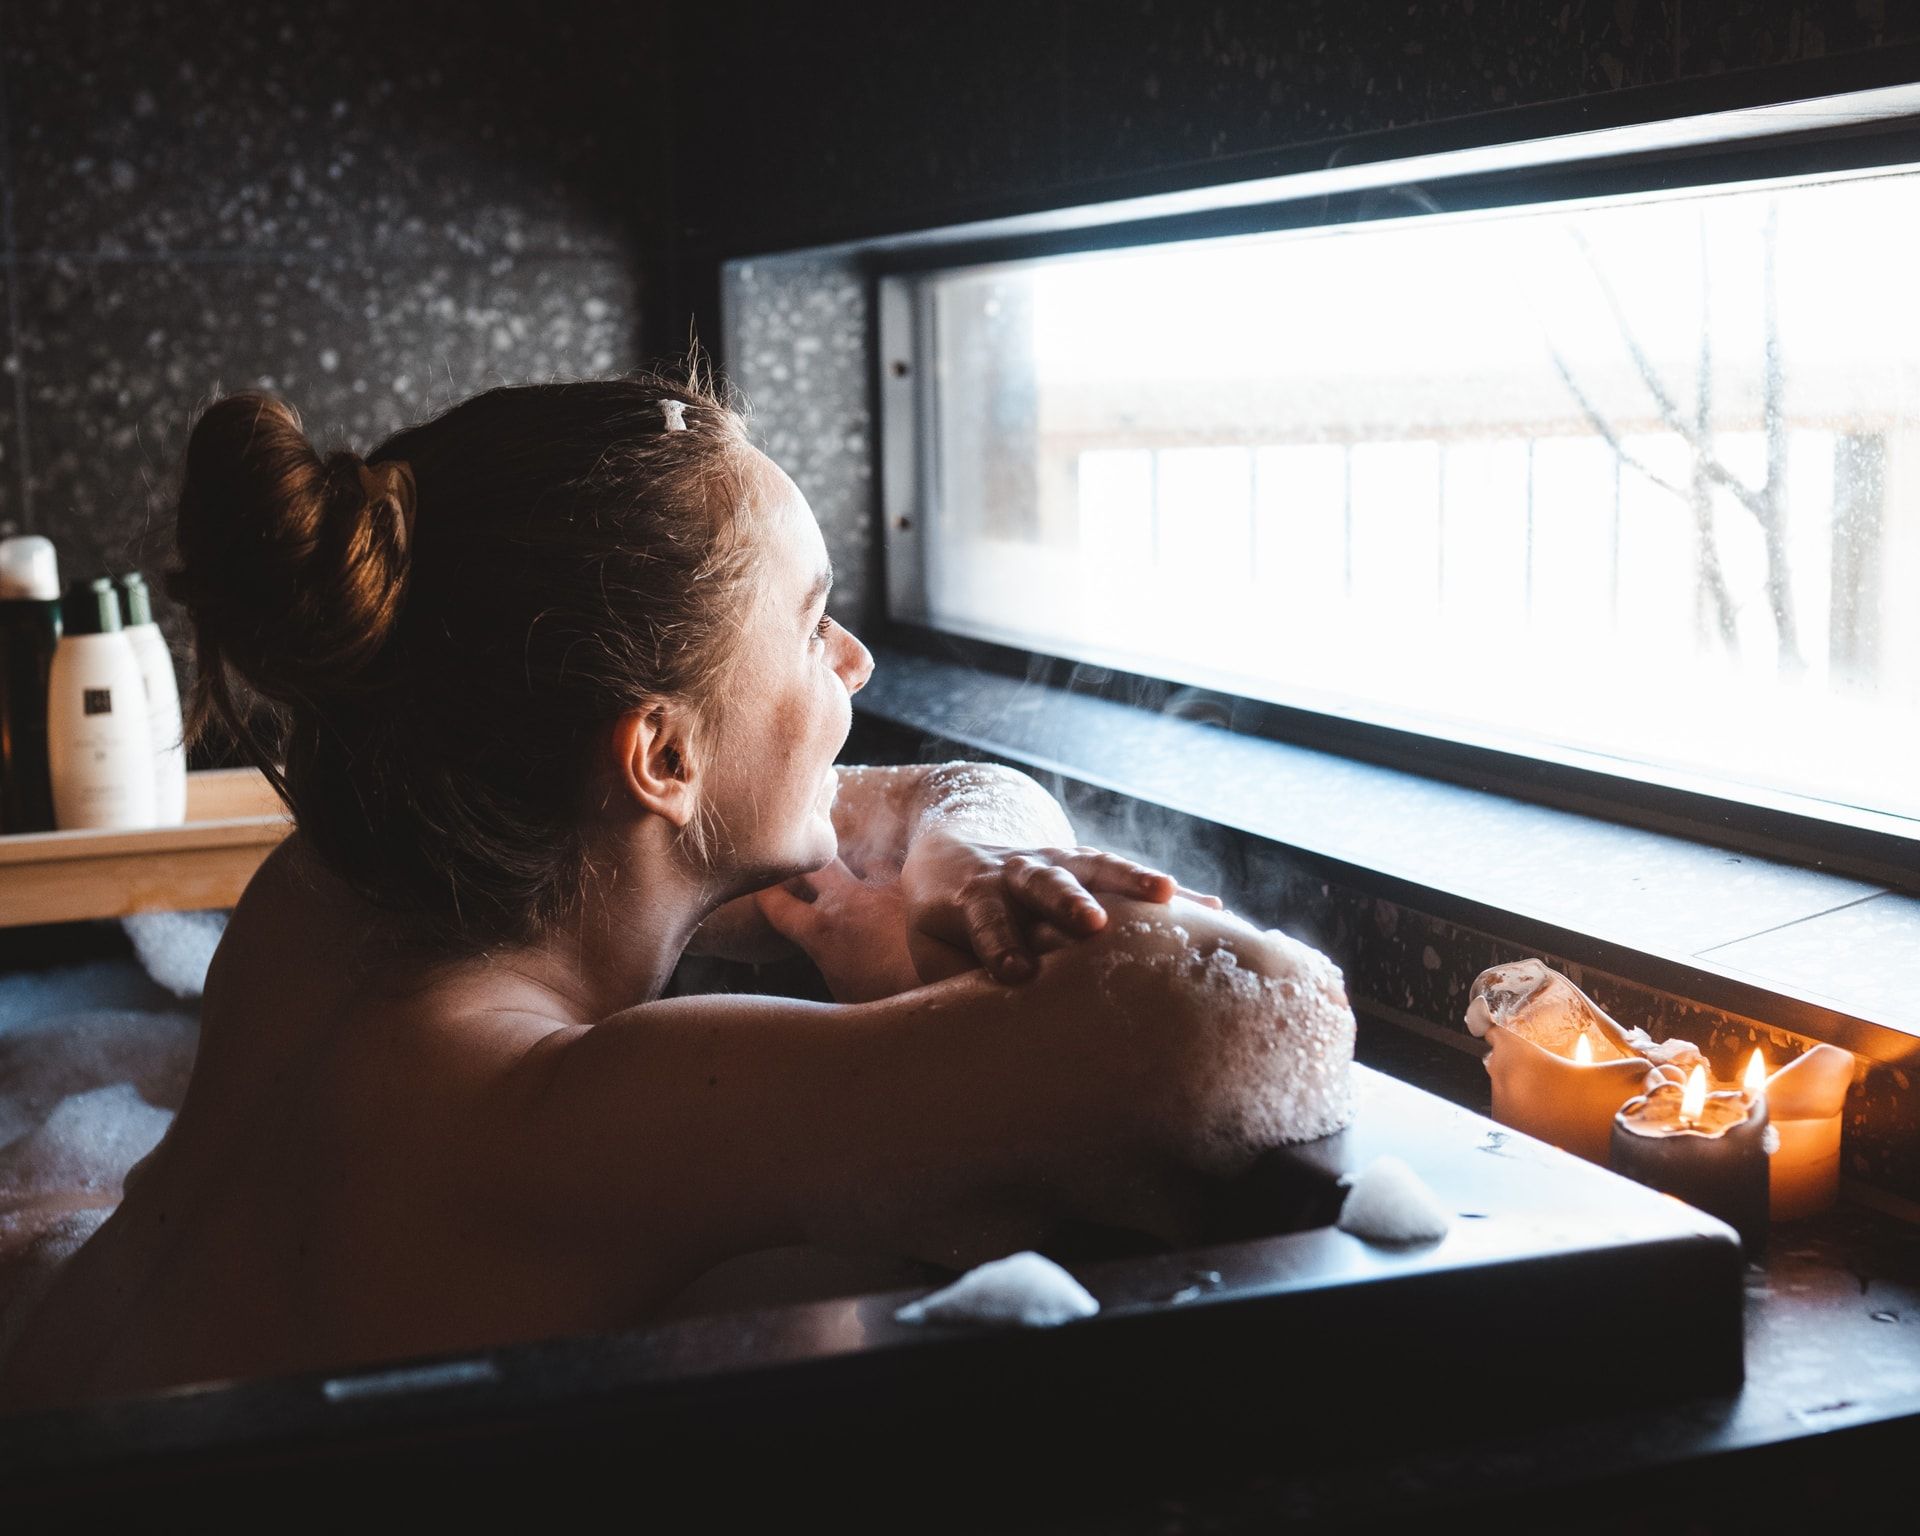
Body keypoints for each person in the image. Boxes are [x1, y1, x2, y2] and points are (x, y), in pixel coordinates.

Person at [0, 367, 1347, 1409]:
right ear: (659, 756)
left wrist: (968, 863)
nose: (858, 661)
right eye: (811, 623)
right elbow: (1224, 1022)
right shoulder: (548, 1110)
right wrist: (917, 946)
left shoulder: (333, 896)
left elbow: (919, 797)